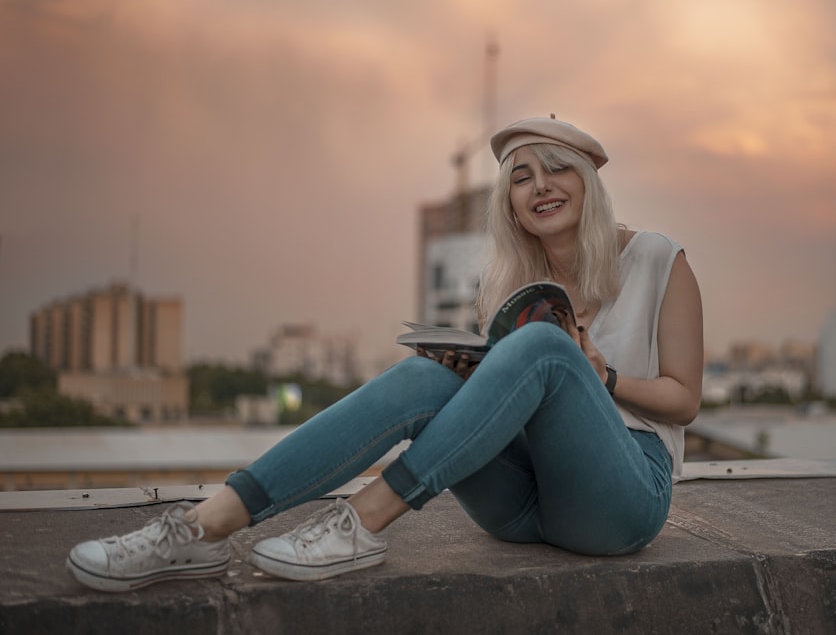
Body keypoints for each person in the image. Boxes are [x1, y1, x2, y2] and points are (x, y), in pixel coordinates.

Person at [66, 115, 704, 592]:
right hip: (521, 502)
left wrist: (603, 375)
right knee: (427, 376)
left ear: (588, 181)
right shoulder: (502, 284)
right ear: (509, 204)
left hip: (619, 498)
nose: (540, 187)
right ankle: (203, 527)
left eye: (556, 169)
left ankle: (362, 520)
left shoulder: (655, 258)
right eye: (520, 178)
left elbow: (686, 399)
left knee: (541, 344)